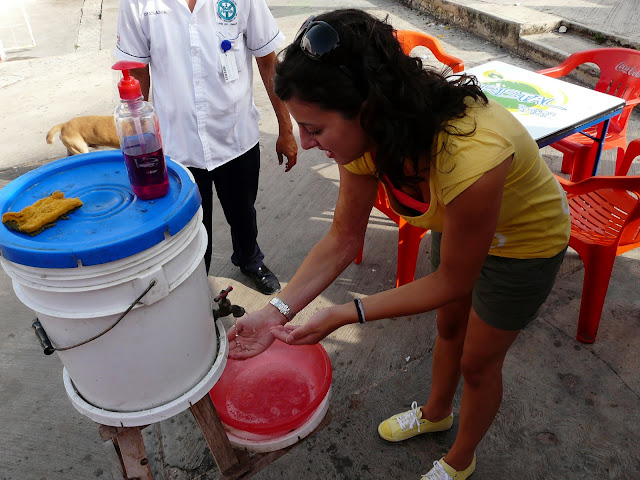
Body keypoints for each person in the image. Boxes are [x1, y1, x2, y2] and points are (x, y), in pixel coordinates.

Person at [227, 8, 570, 480]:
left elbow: (453, 279)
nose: (305, 144)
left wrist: (344, 312)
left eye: (315, 128)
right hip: (461, 226)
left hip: (524, 243)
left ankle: (460, 460)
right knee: (448, 330)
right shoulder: (368, 137)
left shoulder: (471, 158)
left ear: (366, 110)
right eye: (300, 126)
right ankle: (436, 413)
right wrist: (275, 310)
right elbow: (343, 238)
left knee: (478, 361)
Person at [114, 0, 298, 295]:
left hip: (236, 135)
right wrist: (138, 139)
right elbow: (137, 72)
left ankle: (250, 260)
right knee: (192, 225)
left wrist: (285, 128)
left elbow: (267, 60)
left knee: (243, 212)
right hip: (177, 144)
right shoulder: (138, 3)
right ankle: (198, 278)